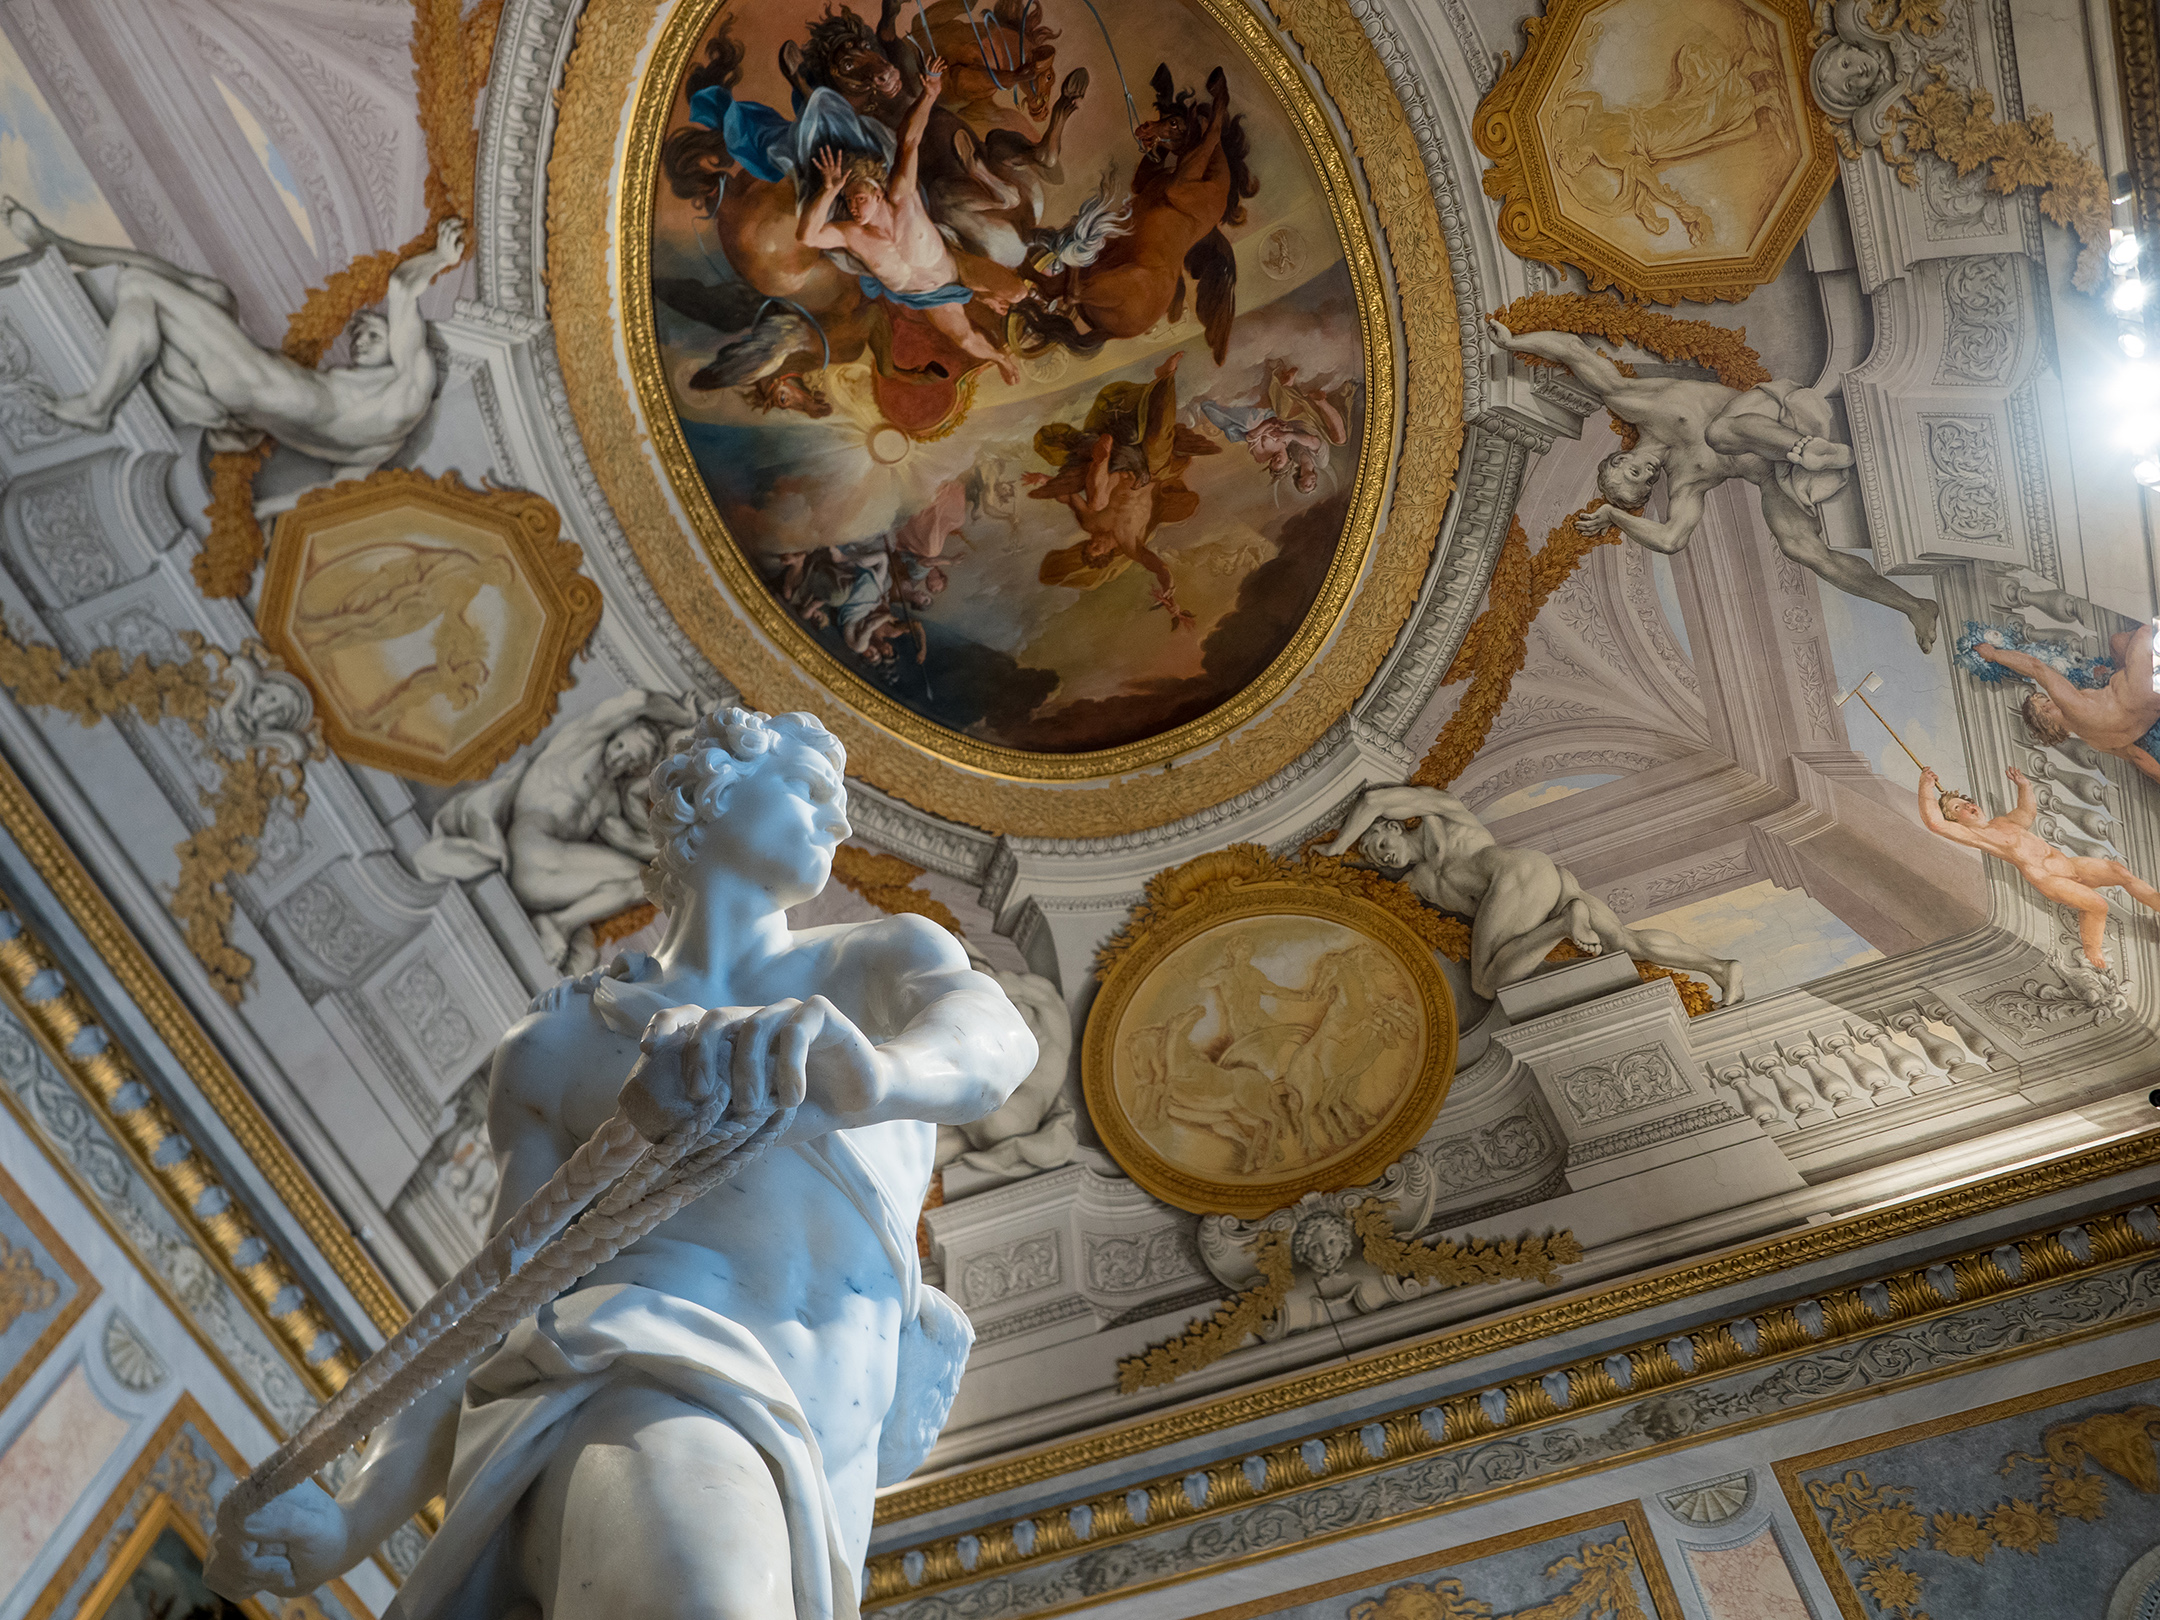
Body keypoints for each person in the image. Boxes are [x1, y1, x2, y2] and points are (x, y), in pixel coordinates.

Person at [207, 705, 1038, 1619]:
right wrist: (354, 1521)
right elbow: (496, 1297)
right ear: (710, 793)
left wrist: (879, 1078)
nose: (839, 821)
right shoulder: (564, 1042)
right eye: (809, 788)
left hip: (820, 1480)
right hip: (639, 1381)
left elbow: (993, 1042)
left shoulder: (874, 965)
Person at [1486, 317, 1941, 652]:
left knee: (1720, 434)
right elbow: (1671, 539)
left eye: (1633, 473)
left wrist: (1514, 342)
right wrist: (1613, 516)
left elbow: (1574, 350)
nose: (1646, 476)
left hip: (1780, 415)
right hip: (1777, 473)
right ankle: (1915, 607)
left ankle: (1816, 451)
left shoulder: (1634, 403)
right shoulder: (1686, 479)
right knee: (1800, 549)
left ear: (1620, 458)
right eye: (1644, 487)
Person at [7, 202, 464, 478]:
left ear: (401, 344)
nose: (359, 339)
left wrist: (440, 258)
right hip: (248, 392)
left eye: (373, 333)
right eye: (358, 333)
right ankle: (65, 248)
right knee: (212, 294)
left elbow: (401, 287)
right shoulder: (379, 446)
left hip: (258, 382)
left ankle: (97, 405)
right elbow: (337, 485)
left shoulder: (410, 384)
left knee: (136, 285)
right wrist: (265, 510)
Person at [1323, 784, 1744, 1004]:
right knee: (1625, 940)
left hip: (1516, 875)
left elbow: (1374, 798)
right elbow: (1369, 901)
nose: (1383, 856)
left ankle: (1564, 924)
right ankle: (1721, 968)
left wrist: (1337, 846)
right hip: (1544, 881)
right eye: (1375, 857)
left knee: (1485, 985)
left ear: (1393, 825)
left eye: (1380, 843)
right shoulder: (1415, 884)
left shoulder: (1442, 815)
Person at [797, 56, 1020, 387]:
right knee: (964, 339)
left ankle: (980, 290)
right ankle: (1001, 357)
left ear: (877, 192)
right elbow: (808, 236)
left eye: (859, 198)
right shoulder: (852, 234)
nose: (854, 207)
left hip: (956, 269)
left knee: (1017, 292)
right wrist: (830, 191)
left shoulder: (902, 196)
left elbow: (909, 142)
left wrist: (929, 95)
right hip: (927, 296)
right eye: (849, 201)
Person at [1025, 350, 1220, 629]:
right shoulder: (1131, 546)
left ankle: (1101, 459)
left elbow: (1068, 496)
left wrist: (1043, 479)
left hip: (1116, 468)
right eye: (1096, 548)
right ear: (1107, 553)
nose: (1093, 542)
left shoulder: (1090, 522)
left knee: (1095, 504)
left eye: (1089, 545)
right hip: (1150, 473)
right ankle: (1166, 376)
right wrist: (1170, 592)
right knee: (1158, 438)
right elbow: (1160, 567)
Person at [1918, 765, 2160, 973]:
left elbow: (2027, 813)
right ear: (1955, 820)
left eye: (1966, 802)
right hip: (2048, 878)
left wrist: (2024, 786)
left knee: (2120, 872)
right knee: (2098, 905)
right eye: (1957, 808)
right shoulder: (1975, 836)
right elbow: (1935, 823)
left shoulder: (2002, 822)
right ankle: (2091, 947)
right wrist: (1926, 786)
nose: (1967, 806)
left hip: (2067, 864)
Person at [1974, 625, 2160, 785]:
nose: (2052, 700)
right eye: (2047, 701)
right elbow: (2036, 667)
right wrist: (1995, 655)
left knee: (2118, 642)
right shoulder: (2073, 707)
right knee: (2144, 633)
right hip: (2143, 688)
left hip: (2152, 703)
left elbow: (2138, 757)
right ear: (2045, 712)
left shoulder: (2095, 741)